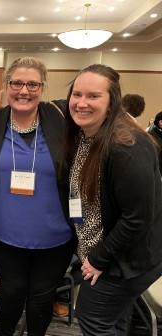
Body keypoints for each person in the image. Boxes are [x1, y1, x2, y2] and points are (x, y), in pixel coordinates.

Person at [63, 63, 162, 336]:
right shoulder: (87, 134)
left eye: (93, 96)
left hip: (123, 259)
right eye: (77, 94)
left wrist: (98, 259)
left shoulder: (125, 145)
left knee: (92, 316)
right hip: (106, 250)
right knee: (114, 321)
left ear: (112, 101)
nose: (81, 103)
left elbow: (137, 218)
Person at [0, 56, 75, 336]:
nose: (24, 91)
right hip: (6, 232)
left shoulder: (61, 121)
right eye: (17, 83)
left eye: (32, 84)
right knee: (11, 292)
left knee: (42, 297)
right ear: (5, 86)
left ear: (42, 88)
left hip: (56, 235)